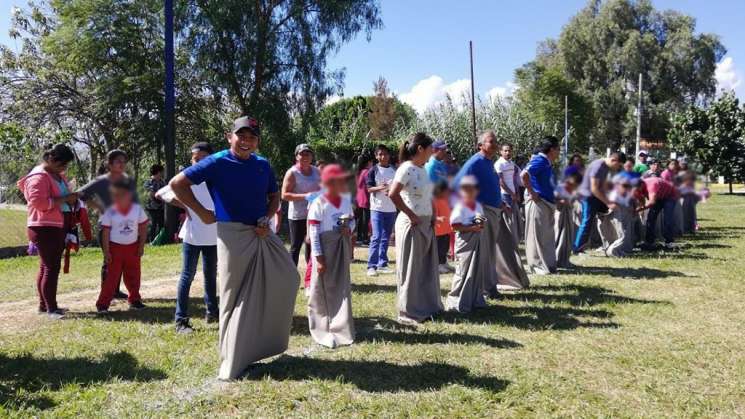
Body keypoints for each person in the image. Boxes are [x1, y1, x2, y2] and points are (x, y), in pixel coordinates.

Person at [169, 115, 299, 380]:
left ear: (257, 141)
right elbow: (176, 185)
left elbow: (274, 195)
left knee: (289, 277)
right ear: (230, 137)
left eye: (252, 137)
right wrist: (202, 212)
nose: (246, 141)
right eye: (241, 136)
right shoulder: (216, 161)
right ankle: (232, 361)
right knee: (232, 297)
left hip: (260, 232)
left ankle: (256, 347)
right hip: (231, 235)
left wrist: (267, 216)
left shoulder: (262, 164)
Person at [454, 130, 528, 294]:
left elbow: (491, 186)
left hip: (494, 211)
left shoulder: (489, 162)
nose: (495, 144)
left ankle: (489, 287)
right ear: (480, 145)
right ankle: (481, 289)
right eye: (490, 141)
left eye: (496, 141)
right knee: (483, 254)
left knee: (490, 253)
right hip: (482, 213)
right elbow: (459, 185)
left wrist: (501, 203)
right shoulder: (475, 162)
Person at [18, 144, 78, 319]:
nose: (65, 168)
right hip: (43, 227)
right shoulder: (38, 177)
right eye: (63, 164)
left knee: (47, 266)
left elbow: (61, 197)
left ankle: (45, 306)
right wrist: (65, 198)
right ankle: (51, 309)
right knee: (51, 267)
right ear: (52, 159)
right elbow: (39, 203)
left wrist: (72, 197)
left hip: (55, 225)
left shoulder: (55, 174)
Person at [388, 132, 443, 325]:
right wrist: (411, 215)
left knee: (425, 268)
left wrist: (434, 214)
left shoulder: (423, 169)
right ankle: (408, 312)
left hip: (426, 222)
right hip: (412, 224)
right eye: (430, 149)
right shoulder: (406, 169)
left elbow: (428, 195)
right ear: (420, 148)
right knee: (411, 269)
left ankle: (427, 306)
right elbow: (393, 194)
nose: (432, 152)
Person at [167, 142, 219, 334]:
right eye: (195, 159)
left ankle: (212, 311)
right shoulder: (186, 178)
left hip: (213, 236)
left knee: (211, 274)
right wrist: (187, 206)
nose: (198, 162)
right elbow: (162, 193)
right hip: (192, 236)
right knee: (187, 276)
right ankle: (181, 320)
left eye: (203, 159)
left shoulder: (217, 178)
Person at [78, 149, 138, 300]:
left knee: (122, 260)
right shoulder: (101, 181)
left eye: (124, 162)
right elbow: (80, 194)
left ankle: (115, 291)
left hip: (124, 225)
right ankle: (107, 293)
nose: (122, 164)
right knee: (109, 259)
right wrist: (99, 207)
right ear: (109, 164)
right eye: (118, 161)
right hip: (106, 226)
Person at [307, 164, 356, 348]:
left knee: (341, 285)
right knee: (321, 288)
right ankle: (322, 326)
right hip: (325, 247)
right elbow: (313, 232)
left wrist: (348, 229)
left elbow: (352, 221)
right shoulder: (318, 202)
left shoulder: (345, 199)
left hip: (340, 245)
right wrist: (318, 257)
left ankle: (341, 325)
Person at [95, 178, 148, 312]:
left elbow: (143, 227)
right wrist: (106, 252)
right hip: (115, 248)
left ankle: (135, 300)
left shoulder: (137, 209)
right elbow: (105, 232)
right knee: (111, 278)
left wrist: (141, 246)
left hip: (133, 247)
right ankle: (102, 304)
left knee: (134, 275)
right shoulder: (109, 211)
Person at [445, 175, 488, 313]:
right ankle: (456, 300)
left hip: (477, 239)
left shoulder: (478, 205)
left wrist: (480, 224)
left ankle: (474, 299)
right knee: (462, 271)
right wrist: (471, 229)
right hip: (465, 241)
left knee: (476, 271)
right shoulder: (460, 207)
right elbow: (454, 226)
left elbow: (480, 219)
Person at [521, 136, 560, 275]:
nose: (559, 152)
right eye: (558, 149)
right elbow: (524, 174)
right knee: (536, 235)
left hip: (547, 203)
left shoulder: (547, 162)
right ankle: (536, 265)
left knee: (545, 235)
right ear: (551, 149)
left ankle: (547, 264)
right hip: (538, 202)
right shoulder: (540, 160)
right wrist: (532, 193)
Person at [573, 151, 624, 253]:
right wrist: (608, 203)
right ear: (613, 160)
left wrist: (609, 200)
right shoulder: (598, 166)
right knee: (587, 221)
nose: (618, 168)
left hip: (596, 197)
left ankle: (610, 243)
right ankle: (576, 249)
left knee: (608, 215)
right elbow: (594, 189)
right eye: (618, 165)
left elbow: (603, 185)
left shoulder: (606, 167)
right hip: (588, 196)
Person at [281, 144, 321, 269]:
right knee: (295, 246)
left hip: (313, 214)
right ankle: (291, 276)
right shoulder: (292, 173)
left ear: (312, 156)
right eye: (301, 154)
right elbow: (284, 195)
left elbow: (323, 188)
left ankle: (311, 277)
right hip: (297, 216)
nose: (304, 157)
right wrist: (305, 196)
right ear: (296, 156)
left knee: (312, 244)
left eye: (307, 154)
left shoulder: (316, 171)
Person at [365, 144, 397, 276]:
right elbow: (368, 189)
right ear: (376, 156)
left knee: (386, 237)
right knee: (376, 236)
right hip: (377, 209)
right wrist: (380, 188)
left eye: (385, 154)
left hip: (391, 208)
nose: (383, 156)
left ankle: (382, 263)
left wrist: (391, 190)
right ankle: (371, 266)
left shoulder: (395, 170)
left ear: (389, 155)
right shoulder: (373, 170)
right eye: (380, 154)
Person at [597, 174, 637, 257]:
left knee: (619, 232)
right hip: (612, 211)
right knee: (617, 232)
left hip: (619, 211)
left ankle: (614, 249)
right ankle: (612, 249)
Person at [638, 176, 678, 250]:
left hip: (670, 195)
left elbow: (652, 202)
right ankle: (649, 242)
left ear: (641, 185)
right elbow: (641, 199)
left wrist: (638, 209)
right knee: (650, 218)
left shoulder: (652, 185)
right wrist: (641, 207)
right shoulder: (638, 186)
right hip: (658, 197)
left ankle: (669, 243)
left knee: (667, 219)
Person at [495, 143, 521, 244]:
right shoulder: (498, 164)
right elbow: (501, 182)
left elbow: (515, 179)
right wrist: (511, 193)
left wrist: (517, 192)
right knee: (507, 220)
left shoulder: (512, 164)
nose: (508, 152)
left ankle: (513, 242)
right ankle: (507, 243)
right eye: (505, 150)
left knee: (513, 220)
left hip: (513, 195)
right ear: (500, 152)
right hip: (505, 195)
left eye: (509, 150)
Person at [555, 172, 581, 268]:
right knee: (560, 237)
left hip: (569, 213)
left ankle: (564, 259)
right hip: (560, 214)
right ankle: (557, 259)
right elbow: (554, 199)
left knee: (567, 238)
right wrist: (562, 201)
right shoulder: (560, 187)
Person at [433, 182, 454, 274]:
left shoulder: (446, 200)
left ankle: (444, 262)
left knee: (445, 248)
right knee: (439, 249)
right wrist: (438, 218)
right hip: (438, 231)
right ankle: (438, 265)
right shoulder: (434, 201)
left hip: (446, 229)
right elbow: (433, 216)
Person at [143, 164, 166, 242]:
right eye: (162, 172)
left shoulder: (162, 182)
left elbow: (166, 192)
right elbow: (151, 193)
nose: (163, 173)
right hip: (151, 208)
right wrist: (161, 197)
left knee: (161, 225)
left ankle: (160, 241)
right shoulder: (148, 182)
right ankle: (151, 241)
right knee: (153, 225)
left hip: (161, 207)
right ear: (158, 172)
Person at [354, 156, 372, 246]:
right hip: (366, 198)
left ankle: (358, 237)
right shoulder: (367, 172)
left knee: (360, 219)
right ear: (368, 162)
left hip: (359, 198)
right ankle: (365, 238)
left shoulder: (359, 172)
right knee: (366, 219)